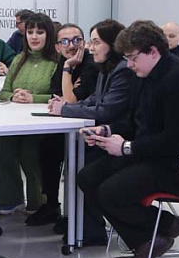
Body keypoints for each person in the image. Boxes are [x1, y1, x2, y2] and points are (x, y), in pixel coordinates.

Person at [79, 20, 179, 258]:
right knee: (88, 177)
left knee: (110, 191)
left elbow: (175, 139)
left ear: (153, 51)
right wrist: (107, 131)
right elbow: (135, 122)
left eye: (132, 58)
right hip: (153, 155)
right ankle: (157, 232)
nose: (129, 64)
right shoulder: (145, 74)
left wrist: (127, 148)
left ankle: (153, 235)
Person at [48, 19, 133, 244]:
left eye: (95, 42)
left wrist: (65, 109)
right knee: (75, 154)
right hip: (107, 134)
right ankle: (83, 225)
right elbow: (93, 100)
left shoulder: (123, 71)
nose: (89, 48)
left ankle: (89, 228)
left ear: (112, 44)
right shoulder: (107, 68)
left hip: (123, 138)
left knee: (84, 161)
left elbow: (106, 110)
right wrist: (65, 107)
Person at [0, 12, 59, 215]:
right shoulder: (19, 59)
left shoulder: (56, 61)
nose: (34, 36)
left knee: (29, 151)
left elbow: (59, 95)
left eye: (40, 32)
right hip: (15, 120)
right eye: (30, 32)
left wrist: (34, 98)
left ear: (49, 35)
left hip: (44, 124)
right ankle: (11, 199)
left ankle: (39, 202)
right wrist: (14, 96)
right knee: (1, 145)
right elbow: (4, 92)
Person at [51, 23, 99, 106]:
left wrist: (67, 67)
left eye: (77, 40)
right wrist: (71, 89)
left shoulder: (92, 64)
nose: (71, 46)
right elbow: (55, 94)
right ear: (57, 48)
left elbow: (70, 102)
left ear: (84, 43)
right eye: (64, 42)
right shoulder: (63, 60)